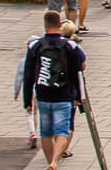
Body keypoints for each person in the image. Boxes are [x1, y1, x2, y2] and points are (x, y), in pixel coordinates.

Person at [21, 9, 85, 170]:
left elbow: (28, 75)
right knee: (62, 131)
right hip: (64, 95)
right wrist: (78, 97)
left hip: (43, 95)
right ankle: (55, 161)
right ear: (60, 24)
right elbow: (76, 73)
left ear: (45, 25)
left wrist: (27, 100)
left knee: (46, 133)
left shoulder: (35, 46)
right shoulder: (70, 45)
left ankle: (49, 161)